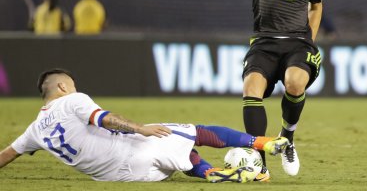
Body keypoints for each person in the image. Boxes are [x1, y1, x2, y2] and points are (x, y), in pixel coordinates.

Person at [178, 0, 326, 181]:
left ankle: (287, 138)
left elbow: (316, 5)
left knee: (294, 83)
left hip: (297, 43)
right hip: (264, 42)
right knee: (251, 88)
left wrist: (310, 40)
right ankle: (260, 161)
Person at [0, 68, 289, 183]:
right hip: (131, 150)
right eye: (72, 84)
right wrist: (140, 128)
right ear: (63, 86)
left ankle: (214, 173)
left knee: (175, 150)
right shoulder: (72, 99)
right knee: (193, 131)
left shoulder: (34, 130)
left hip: (124, 177)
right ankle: (266, 143)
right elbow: (105, 118)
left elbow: (6, 155)